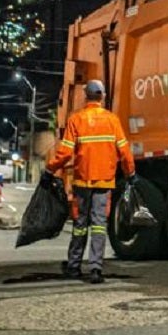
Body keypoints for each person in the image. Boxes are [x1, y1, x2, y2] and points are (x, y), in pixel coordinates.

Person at [45, 79, 135, 285]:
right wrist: (130, 173)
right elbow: (124, 152)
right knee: (99, 226)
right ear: (102, 97)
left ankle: (74, 265)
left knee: (79, 225)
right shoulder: (112, 121)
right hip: (104, 182)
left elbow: (65, 153)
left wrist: (50, 169)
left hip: (82, 182)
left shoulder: (76, 120)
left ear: (86, 96)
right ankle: (96, 268)